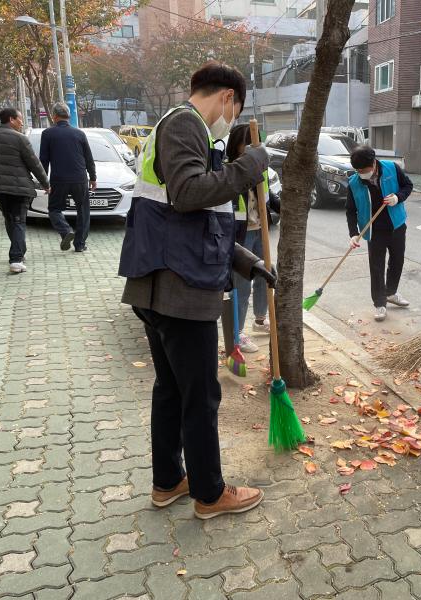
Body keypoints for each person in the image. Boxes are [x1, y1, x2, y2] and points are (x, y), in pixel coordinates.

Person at [118, 61, 275, 520]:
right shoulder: (185, 125)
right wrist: (249, 166)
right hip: (180, 291)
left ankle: (168, 482)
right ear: (227, 97)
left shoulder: (184, 131)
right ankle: (210, 494)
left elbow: (194, 220)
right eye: (236, 108)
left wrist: (248, 261)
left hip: (161, 282)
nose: (231, 119)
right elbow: (190, 194)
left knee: (171, 389)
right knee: (201, 396)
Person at [225, 123, 281, 352]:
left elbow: (268, 196)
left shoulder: (262, 168)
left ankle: (260, 319)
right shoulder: (230, 170)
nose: (251, 148)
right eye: (246, 143)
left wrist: (283, 207)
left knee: (265, 275)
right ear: (237, 145)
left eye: (254, 144)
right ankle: (236, 334)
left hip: (260, 230)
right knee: (242, 284)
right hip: (239, 235)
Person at [0, 108, 50, 274]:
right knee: (17, 221)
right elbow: (34, 164)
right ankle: (16, 259)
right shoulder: (20, 138)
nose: (22, 122)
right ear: (11, 119)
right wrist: (46, 183)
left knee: (11, 220)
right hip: (19, 189)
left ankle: (19, 254)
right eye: (20, 118)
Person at [346, 145, 414, 321]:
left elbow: (408, 185)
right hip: (373, 230)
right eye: (358, 170)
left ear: (373, 162)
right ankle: (380, 303)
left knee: (397, 261)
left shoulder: (392, 168)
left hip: (397, 224)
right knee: (376, 267)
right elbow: (350, 210)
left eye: (364, 169)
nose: (361, 173)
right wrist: (353, 233)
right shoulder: (354, 182)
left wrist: (398, 197)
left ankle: (391, 293)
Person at [39, 102, 96, 253]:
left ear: (54, 116)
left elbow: (43, 160)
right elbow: (89, 158)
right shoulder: (79, 134)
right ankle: (80, 244)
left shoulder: (47, 134)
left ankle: (65, 231)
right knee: (83, 210)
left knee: (54, 209)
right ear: (69, 116)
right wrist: (93, 178)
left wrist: (44, 182)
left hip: (59, 179)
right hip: (80, 178)